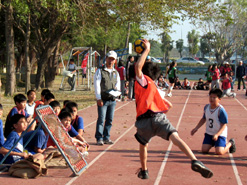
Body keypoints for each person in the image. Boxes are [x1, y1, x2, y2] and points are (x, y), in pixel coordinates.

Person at [134, 39, 213, 179]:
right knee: (175, 137)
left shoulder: (143, 80)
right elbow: (168, 105)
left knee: (143, 144)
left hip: (143, 121)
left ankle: (144, 170)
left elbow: (138, 68)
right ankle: (194, 160)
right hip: (158, 117)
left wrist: (147, 50)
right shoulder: (154, 87)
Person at [191, 89, 236, 155]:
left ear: (219, 99)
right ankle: (212, 143)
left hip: (220, 134)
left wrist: (217, 134)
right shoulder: (206, 107)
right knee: (204, 150)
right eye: (210, 97)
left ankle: (231, 143)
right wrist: (196, 128)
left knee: (219, 152)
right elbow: (204, 118)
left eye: (214, 97)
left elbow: (224, 124)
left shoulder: (221, 110)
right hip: (209, 133)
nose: (211, 99)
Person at [94, 50, 120, 145]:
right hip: (103, 99)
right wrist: (98, 98)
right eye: (109, 58)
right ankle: (99, 137)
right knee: (101, 119)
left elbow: (118, 84)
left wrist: (117, 93)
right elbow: (97, 84)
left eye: (113, 59)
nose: (111, 61)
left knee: (109, 120)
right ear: (106, 59)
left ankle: (106, 137)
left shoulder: (115, 73)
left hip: (112, 100)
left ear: (115, 61)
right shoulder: (100, 71)